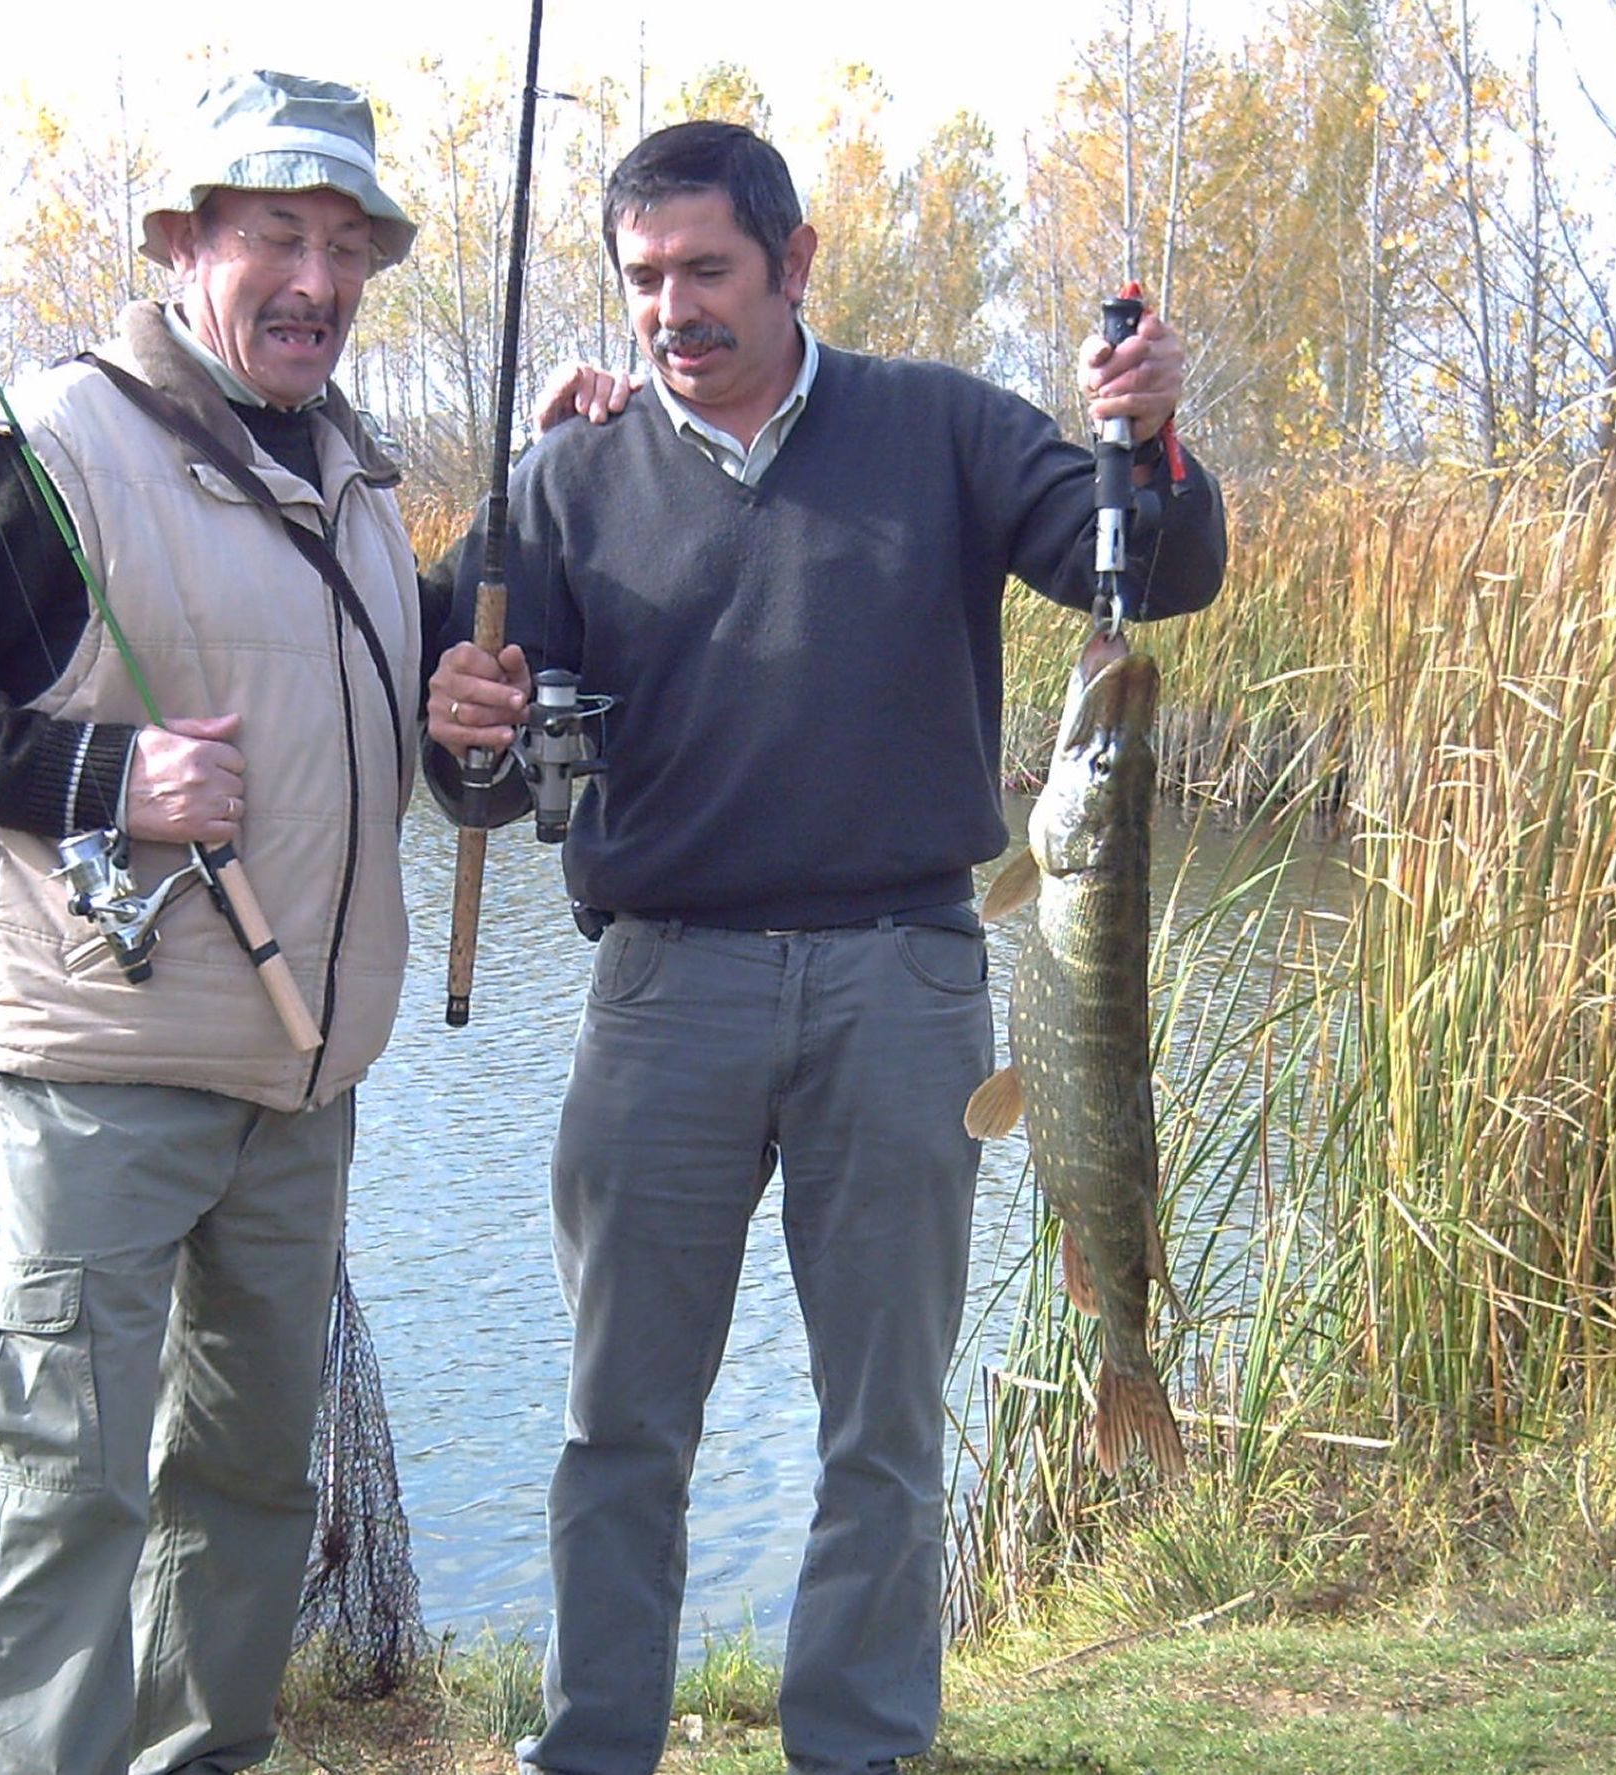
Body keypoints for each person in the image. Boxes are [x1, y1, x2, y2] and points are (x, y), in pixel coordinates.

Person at [426, 121, 1228, 1775]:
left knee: (883, 1425)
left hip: (903, 975)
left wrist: (1147, 440)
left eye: (707, 270)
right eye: (644, 278)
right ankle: (593, 1749)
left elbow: (1150, 571)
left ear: (794, 262)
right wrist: (467, 730)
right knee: (618, 1423)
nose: (672, 309)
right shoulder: (565, 481)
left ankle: (857, 1746)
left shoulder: (941, 427)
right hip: (665, 987)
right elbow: (479, 772)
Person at [0, 69, 434, 1775]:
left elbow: (363, 727)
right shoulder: (62, 447)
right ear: (181, 243)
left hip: (298, 1079)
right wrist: (106, 774)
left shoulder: (354, 476)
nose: (316, 280)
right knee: (70, 1484)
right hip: (93, 1071)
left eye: (347, 246)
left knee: (250, 1478)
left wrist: (461, 705)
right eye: (277, 236)